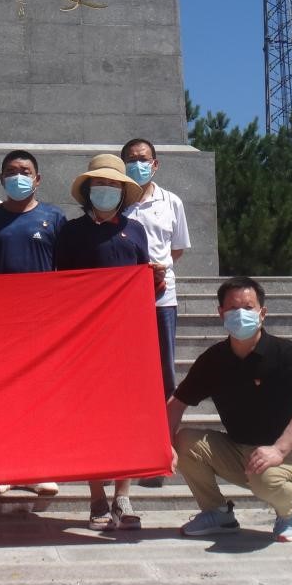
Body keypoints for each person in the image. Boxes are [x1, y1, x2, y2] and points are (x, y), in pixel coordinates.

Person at [169, 276, 292, 543]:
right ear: (221, 313)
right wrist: (166, 444)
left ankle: (290, 509)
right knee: (184, 441)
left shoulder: (284, 353)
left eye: (248, 307)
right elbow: (177, 402)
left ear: (262, 312)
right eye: (232, 308)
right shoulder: (214, 359)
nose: (241, 314)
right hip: (240, 450)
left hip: (291, 453)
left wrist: (279, 449)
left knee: (266, 476)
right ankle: (217, 513)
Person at [53, 154, 152, 530]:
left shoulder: (136, 230)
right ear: (88, 191)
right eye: (99, 185)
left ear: (123, 192)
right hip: (85, 339)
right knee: (89, 416)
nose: (106, 191)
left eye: (113, 185)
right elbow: (61, 282)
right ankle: (96, 497)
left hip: (127, 337)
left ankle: (123, 496)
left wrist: (153, 280)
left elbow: (143, 281)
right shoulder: (71, 232)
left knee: (126, 417)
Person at [0, 149, 66, 497]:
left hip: (41, 322)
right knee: (0, 395)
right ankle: (0, 467)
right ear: (1, 179)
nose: (18, 177)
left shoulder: (54, 217)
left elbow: (67, 270)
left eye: (25, 171)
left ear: (37, 179)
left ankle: (39, 467)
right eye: (11, 171)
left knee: (39, 395)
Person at [120, 138, 191, 401]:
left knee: (164, 365)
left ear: (155, 164)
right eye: (131, 160)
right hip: (124, 295)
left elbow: (178, 248)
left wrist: (161, 267)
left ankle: (166, 418)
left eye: (143, 159)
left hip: (161, 295)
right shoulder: (116, 202)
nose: (137, 164)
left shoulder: (172, 202)